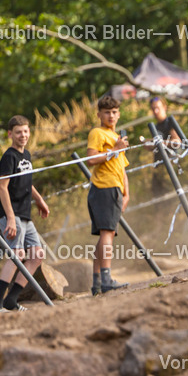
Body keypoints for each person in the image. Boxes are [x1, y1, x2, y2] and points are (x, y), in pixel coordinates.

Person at [0, 115, 50, 313]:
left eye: (25, 131)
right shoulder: (9, 157)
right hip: (10, 213)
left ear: (29, 132)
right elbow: (3, 187)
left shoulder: (27, 156)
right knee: (17, 254)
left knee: (37, 255)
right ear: (10, 134)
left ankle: (11, 299)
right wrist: (10, 218)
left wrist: (39, 200)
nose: (22, 135)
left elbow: (26, 182)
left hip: (25, 214)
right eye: (18, 132)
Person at [86, 95, 130, 296]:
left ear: (119, 114)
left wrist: (126, 193)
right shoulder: (97, 133)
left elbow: (122, 168)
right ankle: (106, 280)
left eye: (114, 112)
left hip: (114, 188)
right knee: (107, 233)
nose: (111, 116)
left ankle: (97, 282)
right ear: (99, 115)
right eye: (106, 112)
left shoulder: (117, 138)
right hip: (104, 187)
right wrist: (115, 149)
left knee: (107, 234)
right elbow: (91, 158)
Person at [149, 96, 182, 197]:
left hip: (171, 165)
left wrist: (159, 143)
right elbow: (156, 146)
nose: (155, 111)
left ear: (164, 107)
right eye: (153, 108)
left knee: (171, 197)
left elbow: (177, 142)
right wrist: (149, 144)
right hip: (159, 167)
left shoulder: (170, 122)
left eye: (157, 108)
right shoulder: (155, 126)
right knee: (157, 196)